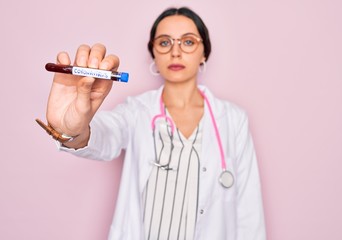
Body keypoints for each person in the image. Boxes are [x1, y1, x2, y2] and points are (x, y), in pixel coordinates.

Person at [37, 7, 266, 240]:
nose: (175, 52)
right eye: (164, 43)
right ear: (154, 53)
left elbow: (249, 210)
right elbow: (104, 135)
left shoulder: (233, 119)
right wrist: (72, 130)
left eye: (188, 42)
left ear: (204, 52)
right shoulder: (137, 111)